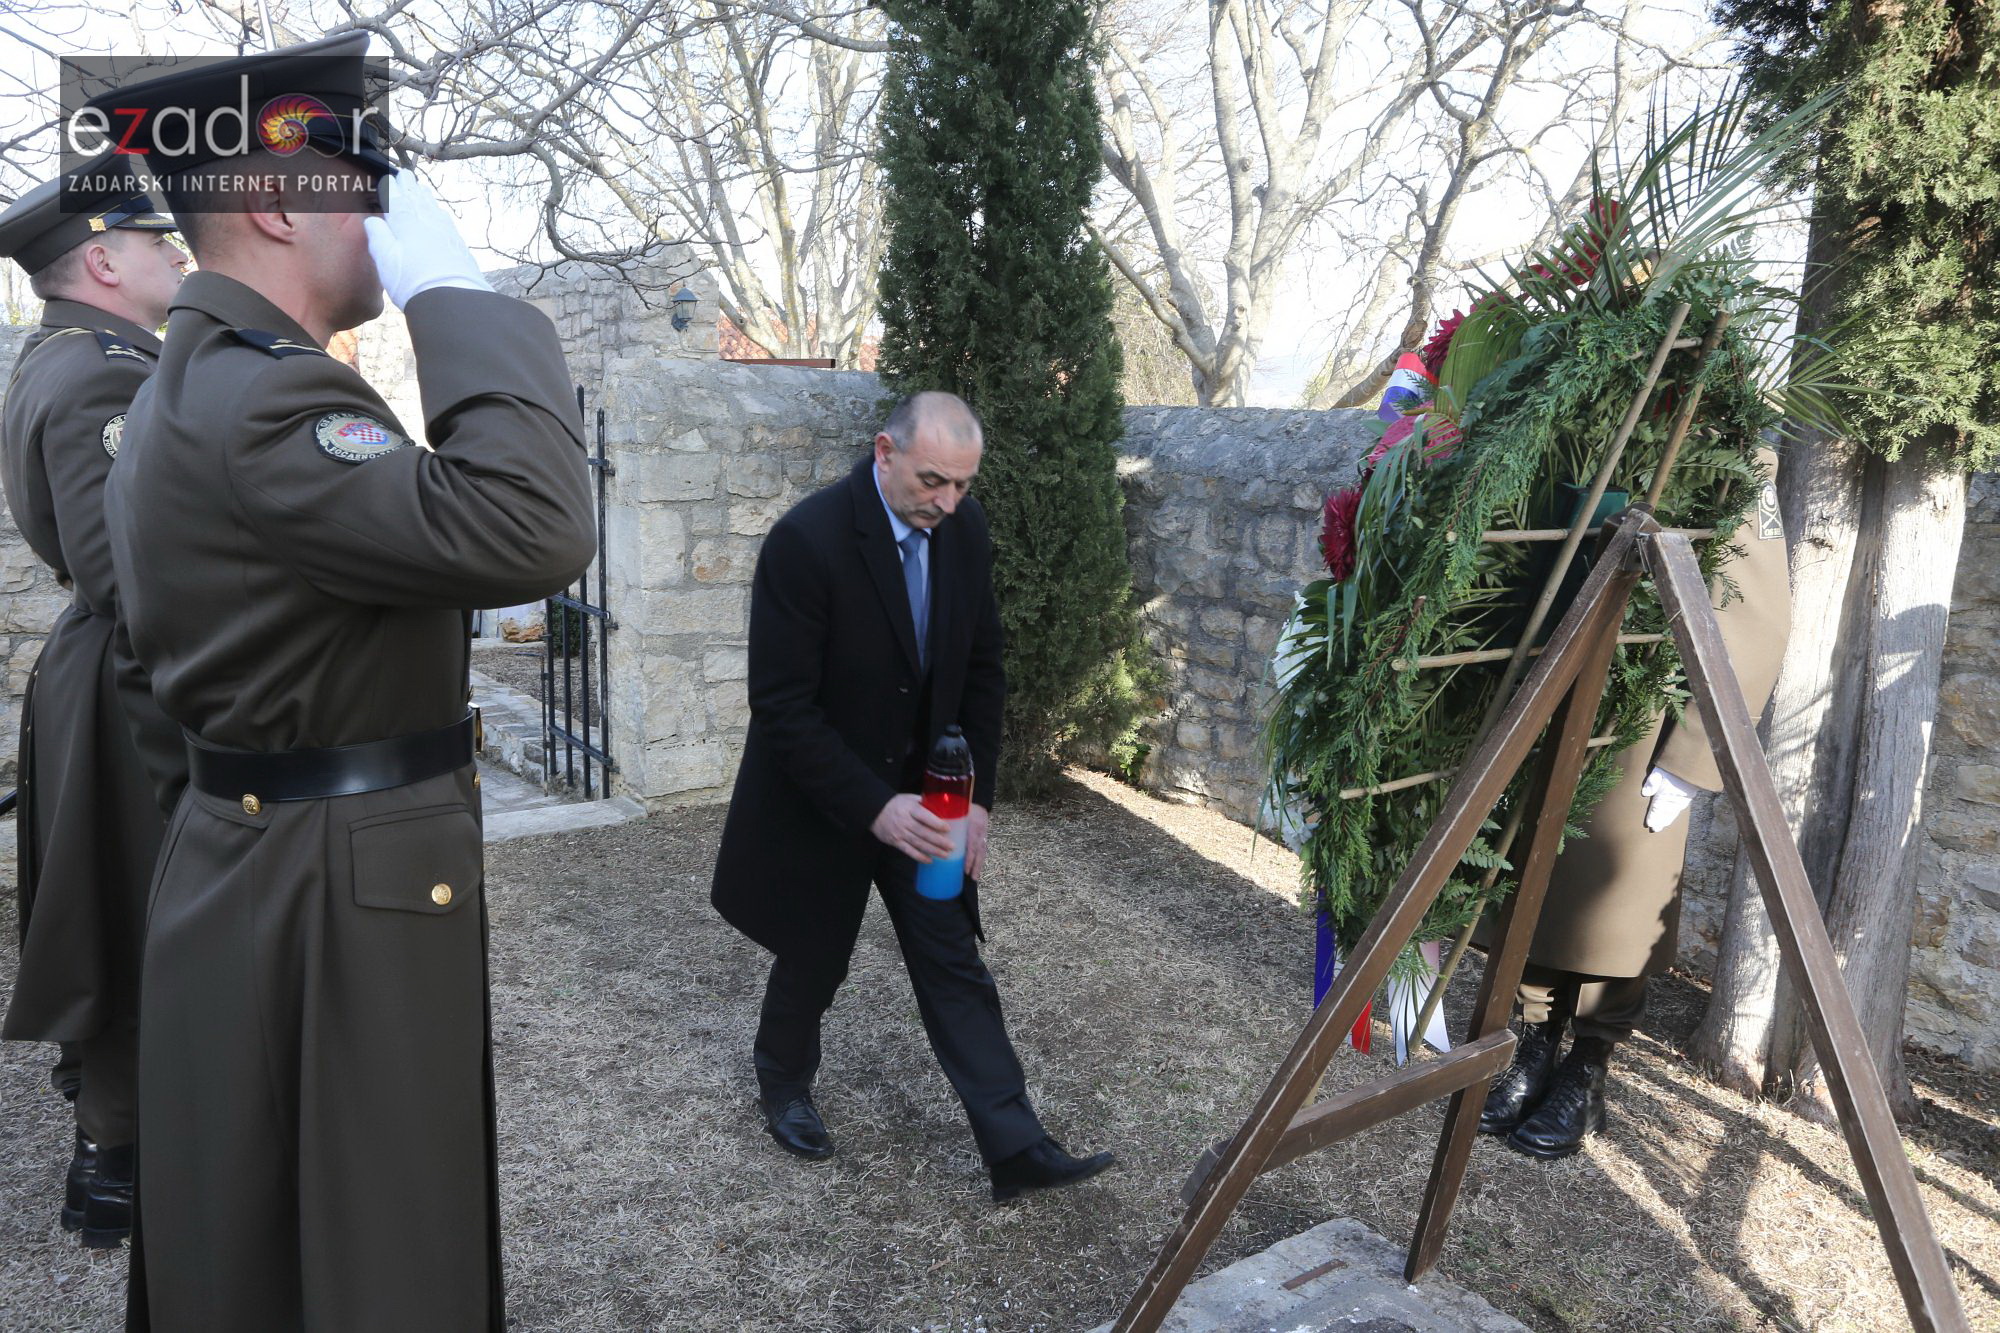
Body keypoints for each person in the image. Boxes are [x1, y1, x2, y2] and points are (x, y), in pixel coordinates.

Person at [90, 33, 596, 1331]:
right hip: (332, 901)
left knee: (266, 1238)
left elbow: (160, 697)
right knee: (379, 1248)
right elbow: (535, 524)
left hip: (254, 870)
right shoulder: (270, 406)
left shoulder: (181, 391)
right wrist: (456, 296)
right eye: (366, 185)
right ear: (277, 200)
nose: (386, 216)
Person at [711, 390, 1116, 1202]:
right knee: (814, 954)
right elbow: (782, 708)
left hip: (929, 800)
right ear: (883, 451)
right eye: (934, 481)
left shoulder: (963, 533)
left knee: (952, 958)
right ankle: (784, 1084)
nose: (948, 501)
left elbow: (982, 672)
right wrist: (873, 806)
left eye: (962, 485)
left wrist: (978, 802)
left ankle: (1015, 1143)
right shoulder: (807, 540)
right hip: (825, 800)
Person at [1478, 450, 1793, 1158]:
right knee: (1538, 881)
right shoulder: (1595, 425)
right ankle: (1530, 1045)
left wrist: (1691, 757)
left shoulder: (1732, 458)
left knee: (1611, 906)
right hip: (1553, 690)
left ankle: (1587, 1067)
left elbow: (1757, 615)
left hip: (1643, 717)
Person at [0, 157, 189, 1248]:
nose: (175, 255)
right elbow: (129, 572)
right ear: (104, 261)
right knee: (141, 919)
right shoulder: (103, 375)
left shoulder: (75, 358)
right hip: (130, 692)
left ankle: (110, 1161)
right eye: (157, 242)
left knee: (125, 913)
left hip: (106, 676)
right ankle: (115, 1167)